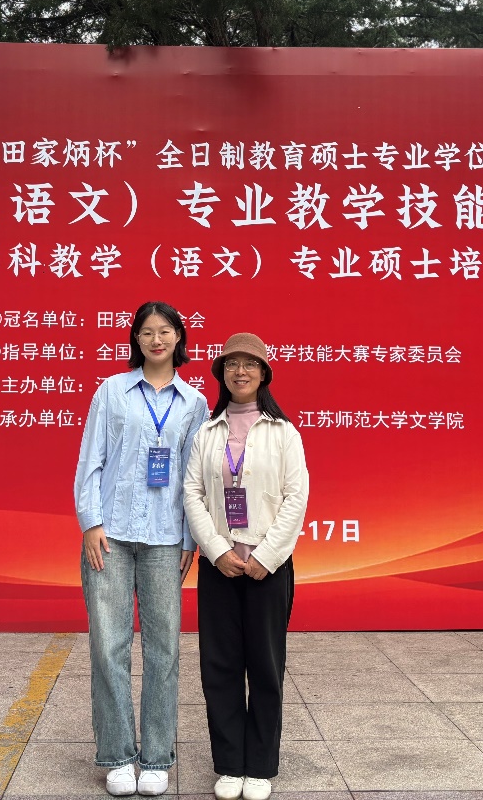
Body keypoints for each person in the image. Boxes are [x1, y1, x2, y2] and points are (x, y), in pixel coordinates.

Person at [75, 301, 209, 797]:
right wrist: (91, 522)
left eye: (165, 331)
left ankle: (155, 757)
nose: (157, 340)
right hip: (109, 537)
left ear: (179, 338)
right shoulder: (112, 390)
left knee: (164, 649)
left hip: (165, 539)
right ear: (136, 338)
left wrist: (191, 539)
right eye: (148, 332)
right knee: (108, 646)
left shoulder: (194, 402)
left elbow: (194, 477)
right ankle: (117, 755)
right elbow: (91, 459)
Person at [183, 333, 309, 800]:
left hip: (267, 569)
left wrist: (266, 556)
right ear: (221, 374)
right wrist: (217, 551)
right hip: (220, 567)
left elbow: (296, 498)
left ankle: (259, 766)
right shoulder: (207, 432)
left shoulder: (283, 432)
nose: (241, 371)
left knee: (266, 665)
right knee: (219, 666)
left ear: (264, 374)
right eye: (232, 364)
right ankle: (230, 764)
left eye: (250, 364)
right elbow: (192, 493)